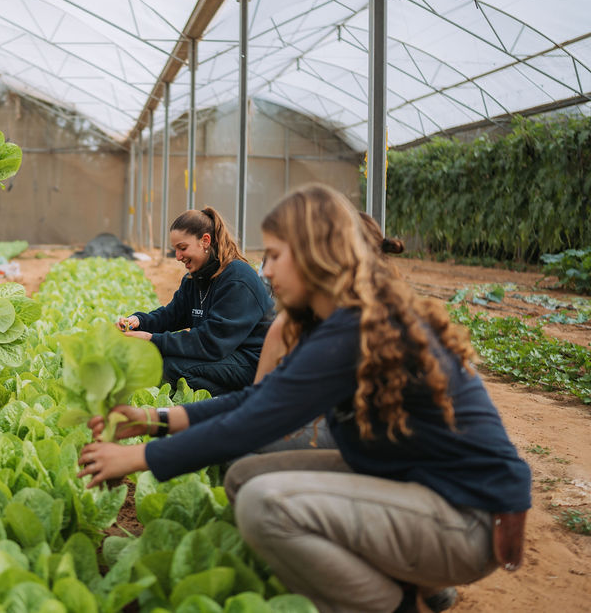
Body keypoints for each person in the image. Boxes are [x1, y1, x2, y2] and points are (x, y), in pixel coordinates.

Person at [80, 184, 531, 613]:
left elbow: (254, 420)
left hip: (465, 516)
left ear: (317, 256)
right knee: (245, 476)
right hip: (420, 486)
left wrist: (138, 457)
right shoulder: (341, 320)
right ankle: (413, 584)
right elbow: (257, 401)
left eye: (275, 256)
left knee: (265, 504)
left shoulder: (356, 328)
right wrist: (154, 418)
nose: (266, 270)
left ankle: (394, 604)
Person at [250, 212, 405, 454]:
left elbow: (266, 405)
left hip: (380, 451)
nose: (267, 272)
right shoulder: (384, 308)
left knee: (247, 449)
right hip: (363, 439)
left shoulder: (355, 322)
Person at [116, 207, 273, 396]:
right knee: (158, 359)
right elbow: (172, 315)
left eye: (182, 248)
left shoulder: (237, 278)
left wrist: (151, 339)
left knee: (170, 367)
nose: (178, 257)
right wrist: (139, 322)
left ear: (205, 241)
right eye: (175, 249)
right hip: (224, 355)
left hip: (252, 363)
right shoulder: (195, 278)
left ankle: (241, 397)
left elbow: (211, 342)